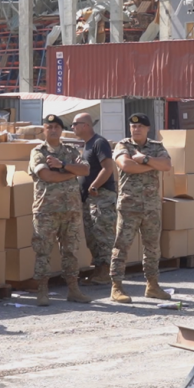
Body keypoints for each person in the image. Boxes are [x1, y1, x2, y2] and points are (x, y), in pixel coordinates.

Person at [28, 114, 94, 307]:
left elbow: (85, 171)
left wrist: (63, 166)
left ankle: (73, 289)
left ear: (61, 129)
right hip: (46, 210)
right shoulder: (38, 152)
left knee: (71, 251)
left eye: (57, 126)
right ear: (44, 129)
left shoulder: (70, 151)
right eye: (49, 127)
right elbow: (47, 176)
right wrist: (70, 173)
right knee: (43, 251)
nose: (54, 130)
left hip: (71, 210)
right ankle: (42, 291)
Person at [107, 114, 173, 304]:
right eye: (133, 126)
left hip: (151, 206)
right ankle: (117, 287)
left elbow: (167, 165)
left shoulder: (156, 146)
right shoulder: (123, 145)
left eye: (140, 126)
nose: (136, 129)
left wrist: (143, 160)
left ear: (147, 129)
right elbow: (126, 165)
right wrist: (153, 165)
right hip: (129, 205)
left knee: (152, 248)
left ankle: (152, 285)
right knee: (121, 247)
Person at [71, 113, 117, 286]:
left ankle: (107, 271)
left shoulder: (99, 142)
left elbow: (108, 167)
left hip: (101, 196)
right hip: (89, 199)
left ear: (86, 126)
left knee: (103, 235)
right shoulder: (87, 145)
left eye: (75, 124)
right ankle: (99, 270)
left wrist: (95, 186)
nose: (73, 127)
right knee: (92, 236)